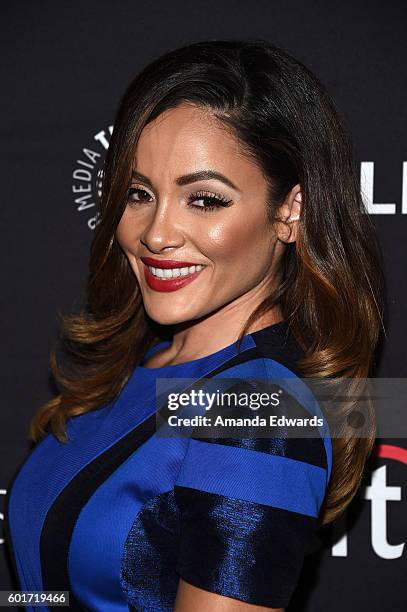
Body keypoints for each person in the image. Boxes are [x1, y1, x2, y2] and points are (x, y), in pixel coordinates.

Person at [4, 39, 384, 612]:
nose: (156, 234)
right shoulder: (149, 364)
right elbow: (51, 586)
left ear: (290, 212)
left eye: (204, 200)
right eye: (139, 193)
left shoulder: (260, 409)